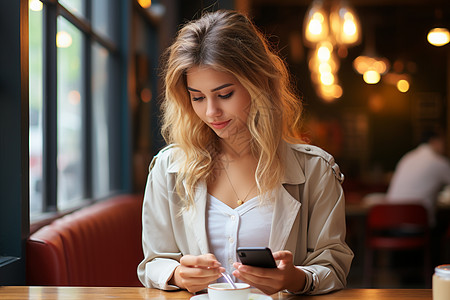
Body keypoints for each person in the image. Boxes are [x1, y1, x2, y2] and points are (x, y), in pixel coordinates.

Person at [137, 10, 353, 295]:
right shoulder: (167, 169)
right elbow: (153, 262)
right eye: (197, 97)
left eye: (224, 94)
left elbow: (334, 266)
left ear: (259, 84)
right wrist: (177, 274)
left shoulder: (316, 170)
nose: (211, 112)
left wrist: (295, 278)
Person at [386, 129, 450, 225]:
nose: (444, 146)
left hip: (388, 222)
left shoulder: (407, 158)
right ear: (434, 141)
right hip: (417, 225)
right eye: (443, 142)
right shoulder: (438, 161)